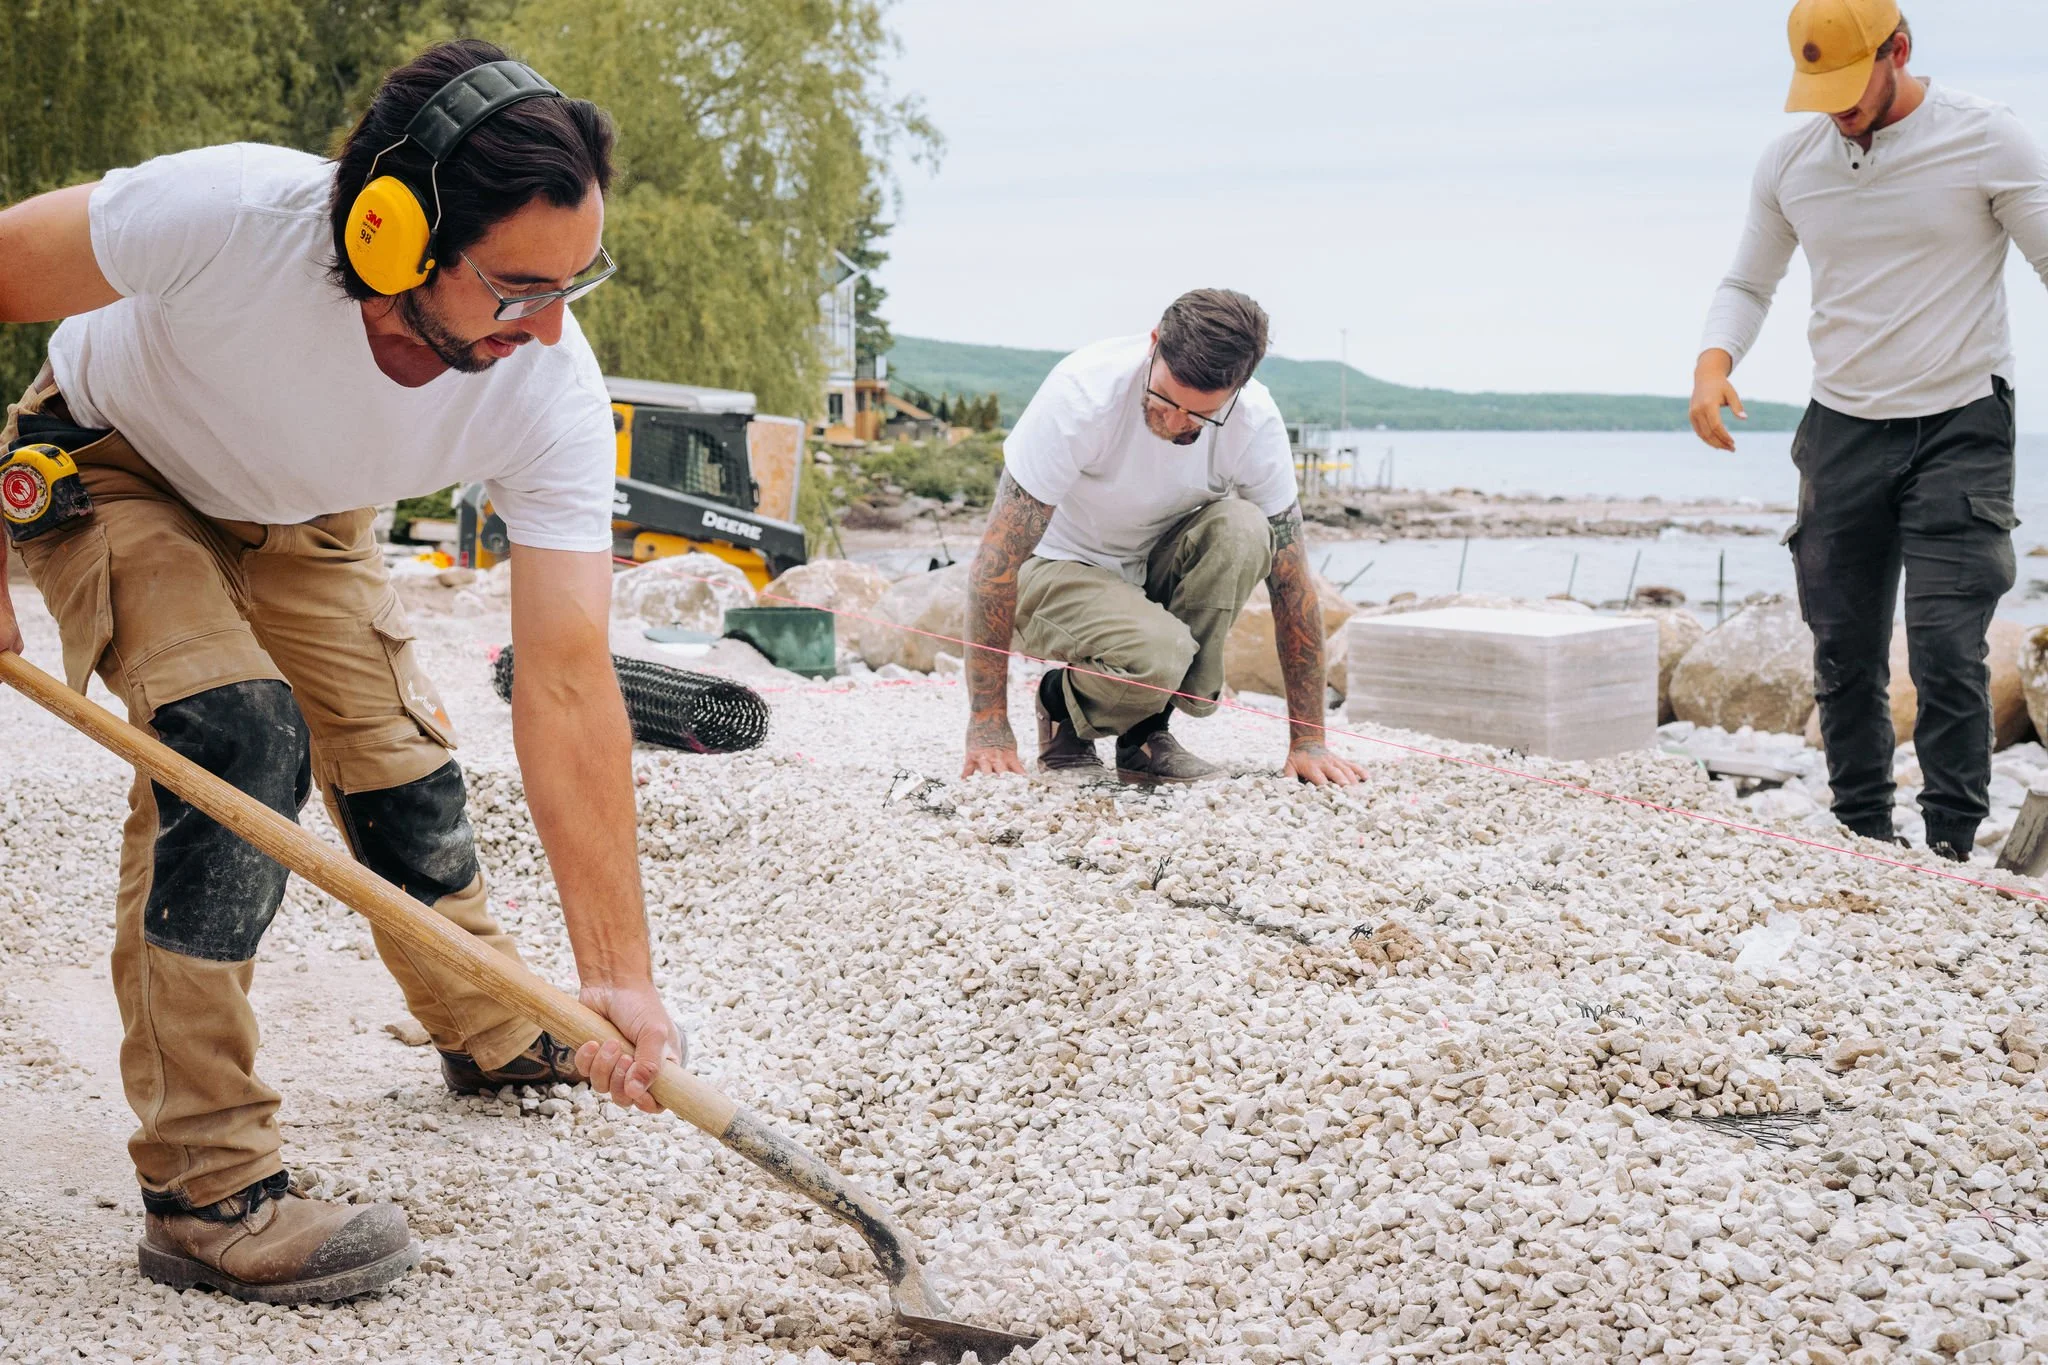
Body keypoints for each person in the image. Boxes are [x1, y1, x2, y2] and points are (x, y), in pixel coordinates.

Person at [0, 40, 682, 1302]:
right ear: (388, 233)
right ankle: (206, 1189)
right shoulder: (221, 214)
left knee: (404, 778)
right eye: (517, 286)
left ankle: (492, 1019)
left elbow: (570, 676)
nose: (550, 326)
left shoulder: (548, 389)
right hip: (115, 467)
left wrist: (615, 979)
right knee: (237, 740)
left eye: (574, 282)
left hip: (309, 520)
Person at [1689, 1, 2048, 861]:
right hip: (1841, 425)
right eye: (1821, 89)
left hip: (1960, 418)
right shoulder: (1792, 162)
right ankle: (1863, 836)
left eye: (1850, 85)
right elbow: (1748, 280)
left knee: (1945, 646)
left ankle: (1953, 844)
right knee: (1844, 645)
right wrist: (1713, 363)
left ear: (1901, 50)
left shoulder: (1988, 137)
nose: (1837, 106)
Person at [960, 288, 1364, 789]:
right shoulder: (1081, 394)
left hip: (1149, 566)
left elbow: (1292, 583)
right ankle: (1060, 702)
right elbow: (995, 562)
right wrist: (988, 725)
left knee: (1245, 529)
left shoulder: (1254, 420)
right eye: (1165, 399)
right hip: (1053, 568)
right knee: (1162, 653)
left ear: (1240, 386)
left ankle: (1145, 737)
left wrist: (1308, 741)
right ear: (1154, 343)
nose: (1175, 423)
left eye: (1199, 416)